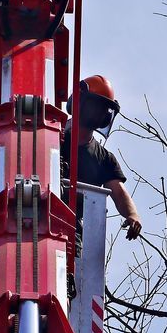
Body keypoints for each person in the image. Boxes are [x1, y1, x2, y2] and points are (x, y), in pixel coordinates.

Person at [61, 74, 142, 240]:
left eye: (103, 109)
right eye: (94, 106)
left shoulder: (104, 159)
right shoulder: (51, 137)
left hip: (72, 230)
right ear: (79, 103)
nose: (98, 113)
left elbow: (119, 193)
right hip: (37, 213)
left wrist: (133, 215)